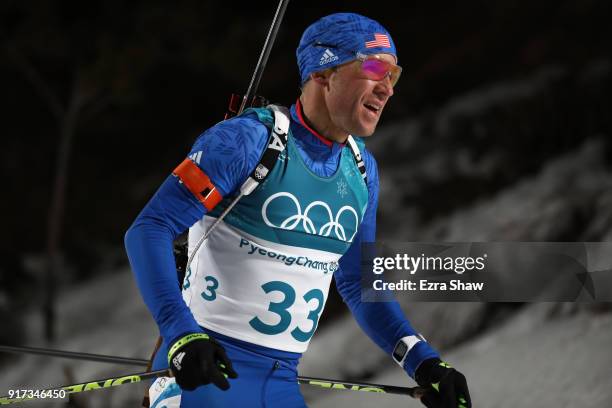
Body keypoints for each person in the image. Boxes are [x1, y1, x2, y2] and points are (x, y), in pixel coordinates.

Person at [125, 12, 471, 408]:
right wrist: (181, 334)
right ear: (323, 73)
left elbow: (359, 283)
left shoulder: (360, 170)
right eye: (375, 69)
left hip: (281, 385)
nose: (387, 89)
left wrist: (424, 363)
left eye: (393, 76)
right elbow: (149, 229)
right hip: (204, 374)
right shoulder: (247, 140)